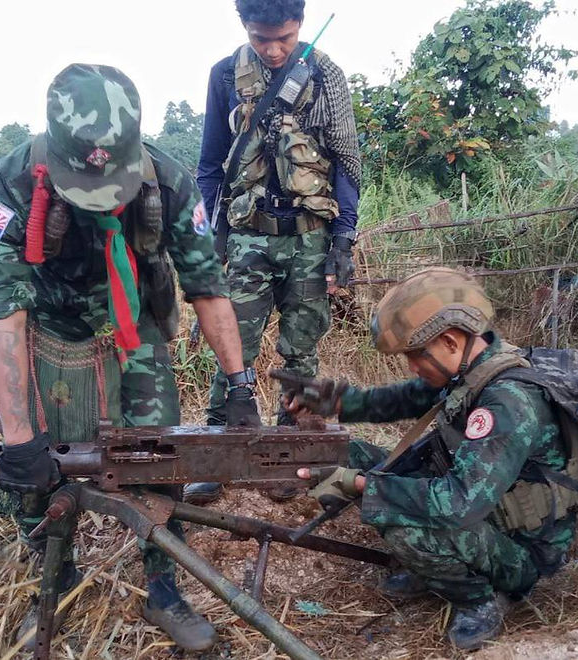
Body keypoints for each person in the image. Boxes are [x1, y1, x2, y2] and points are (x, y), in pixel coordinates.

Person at [0, 63, 260, 653]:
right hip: (51, 326)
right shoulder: (8, 189)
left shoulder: (169, 183)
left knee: (162, 456)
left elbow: (207, 288)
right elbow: (4, 322)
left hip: (137, 327)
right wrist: (20, 439)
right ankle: (55, 576)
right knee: (38, 465)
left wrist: (239, 385)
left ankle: (163, 588)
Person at [285, 268, 578, 651]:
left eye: (414, 355)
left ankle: (479, 601)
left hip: (526, 550)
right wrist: (335, 402)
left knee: (398, 518)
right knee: (348, 452)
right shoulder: (470, 371)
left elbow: (458, 503)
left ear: (451, 341)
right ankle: (437, 568)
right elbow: (401, 399)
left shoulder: (506, 402)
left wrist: (359, 484)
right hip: (489, 512)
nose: (411, 366)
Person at [187, 0, 362, 505]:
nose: (273, 49)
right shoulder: (224, 76)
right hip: (247, 236)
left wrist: (343, 239)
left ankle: (290, 455)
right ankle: (218, 454)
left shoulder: (326, 75)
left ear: (301, 25)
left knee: (301, 349)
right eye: (261, 38)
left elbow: (346, 163)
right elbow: (208, 165)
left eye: (284, 37)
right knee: (231, 343)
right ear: (244, 26)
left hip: (310, 236)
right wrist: (212, 232)